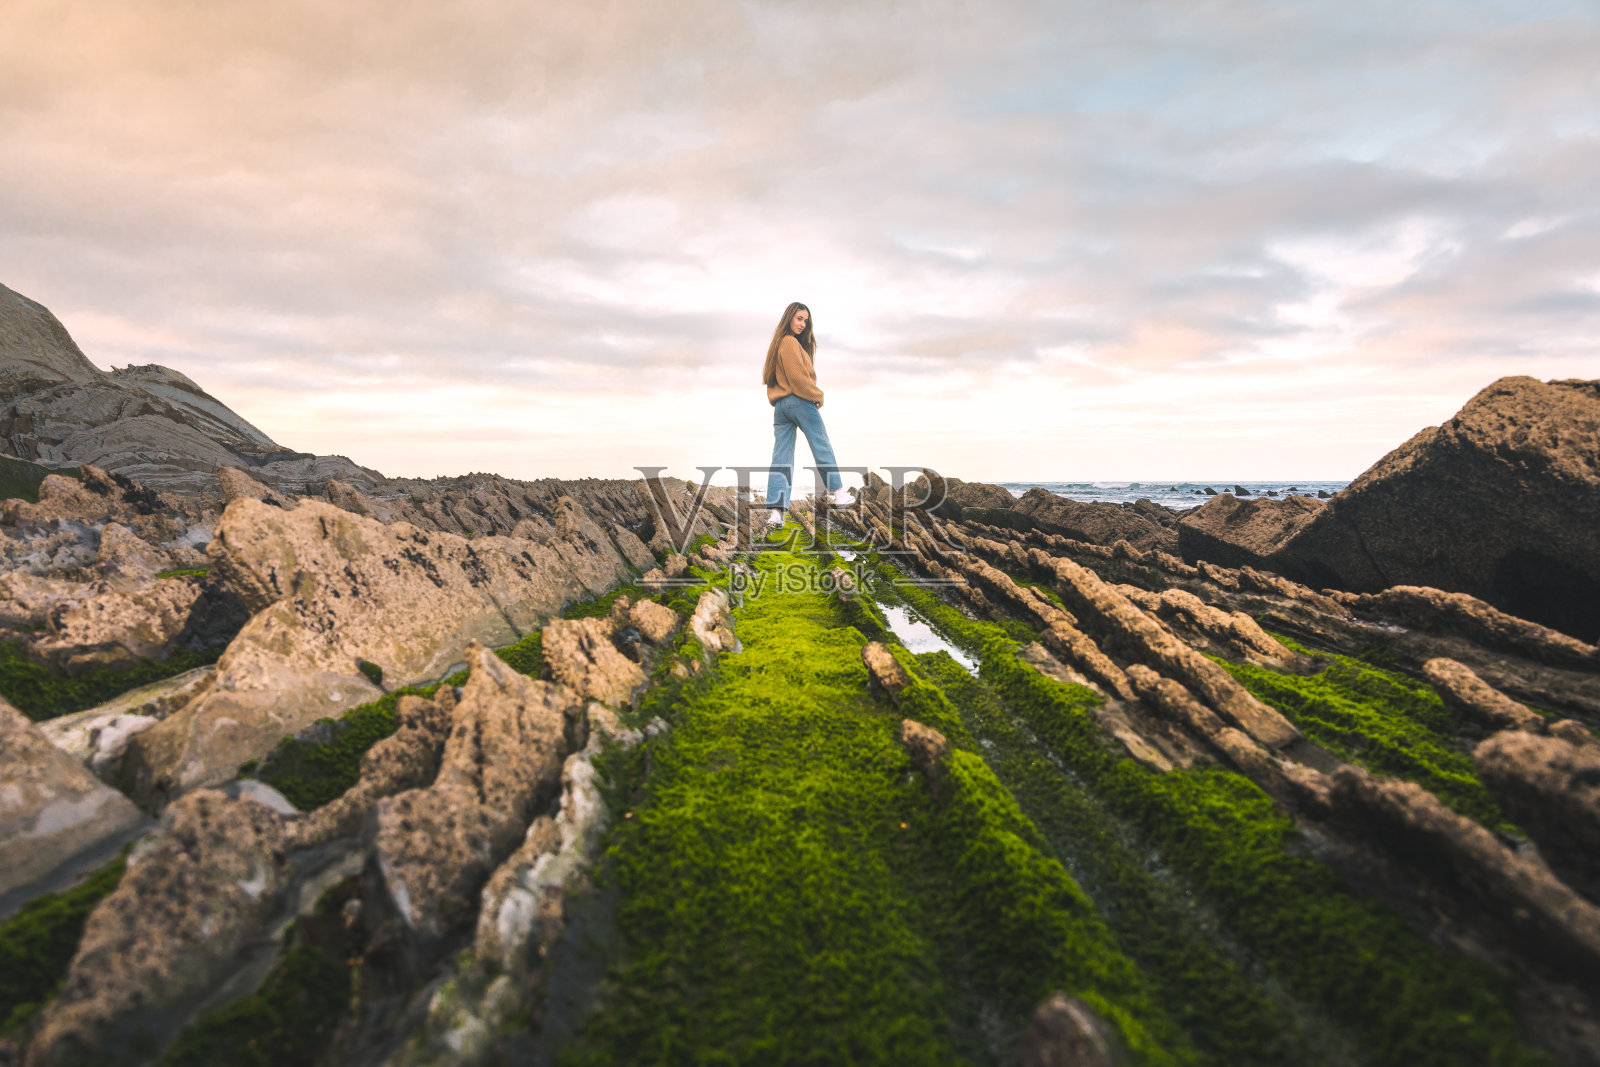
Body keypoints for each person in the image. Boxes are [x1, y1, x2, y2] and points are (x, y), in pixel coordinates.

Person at [761, 301, 851, 526]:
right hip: (799, 401)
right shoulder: (789, 342)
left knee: (781, 458)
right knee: (821, 444)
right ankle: (839, 493)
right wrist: (817, 395)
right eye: (799, 318)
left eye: (806, 321)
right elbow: (798, 378)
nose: (802, 324)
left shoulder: (777, 344)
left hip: (780, 407)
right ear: (789, 318)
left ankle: (776, 513)